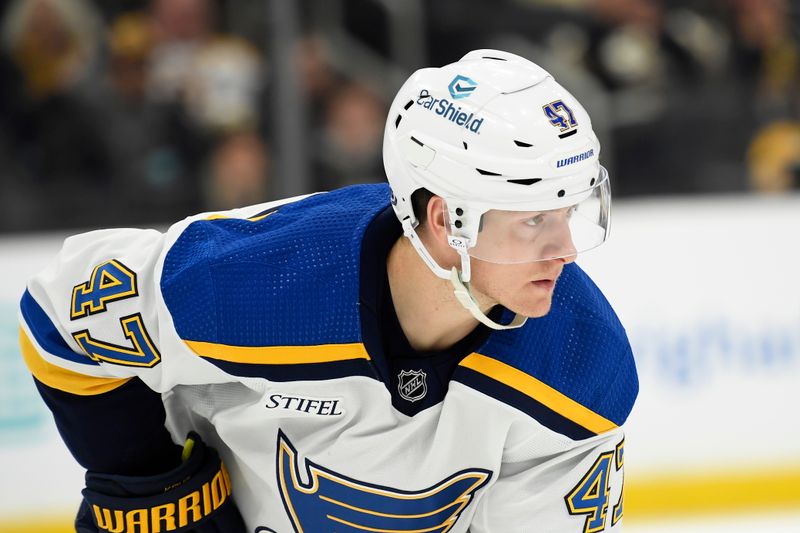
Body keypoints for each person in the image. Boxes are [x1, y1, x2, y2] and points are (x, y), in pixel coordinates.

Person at [19, 49, 638, 532]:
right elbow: (58, 315)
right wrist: (153, 491)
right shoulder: (257, 282)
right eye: (533, 219)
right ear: (447, 219)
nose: (567, 248)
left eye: (571, 211)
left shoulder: (581, 368)